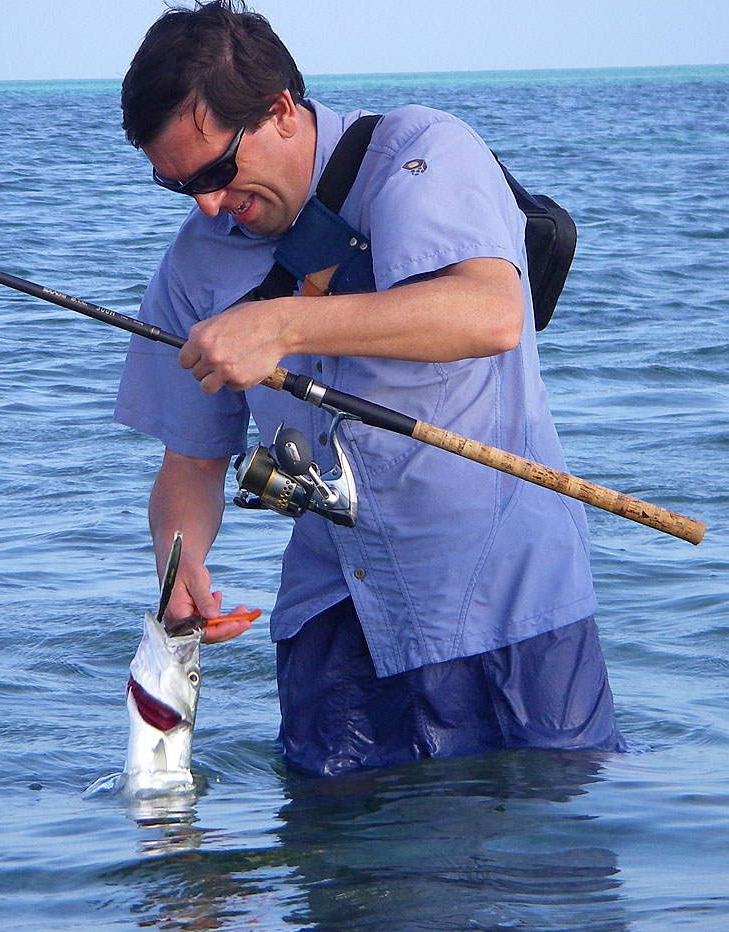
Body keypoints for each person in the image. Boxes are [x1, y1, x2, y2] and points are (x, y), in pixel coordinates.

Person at [115, 1, 625, 776]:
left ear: (280, 110)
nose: (209, 206)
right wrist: (177, 564)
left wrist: (282, 326)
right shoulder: (193, 266)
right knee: (340, 875)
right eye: (176, 186)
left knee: (546, 857)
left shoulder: (421, 152)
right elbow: (190, 462)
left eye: (217, 172)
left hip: (507, 597)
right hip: (332, 617)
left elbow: (489, 312)